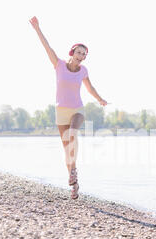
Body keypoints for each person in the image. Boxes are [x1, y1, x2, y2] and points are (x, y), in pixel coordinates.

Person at [29, 16, 107, 199]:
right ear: (72, 53)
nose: (81, 57)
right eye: (79, 53)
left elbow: (90, 88)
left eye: (84, 54)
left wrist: (100, 99)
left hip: (77, 109)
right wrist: (37, 29)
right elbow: (47, 47)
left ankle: (74, 171)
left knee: (72, 134)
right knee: (67, 151)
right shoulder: (59, 65)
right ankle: (74, 181)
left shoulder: (84, 71)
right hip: (61, 111)